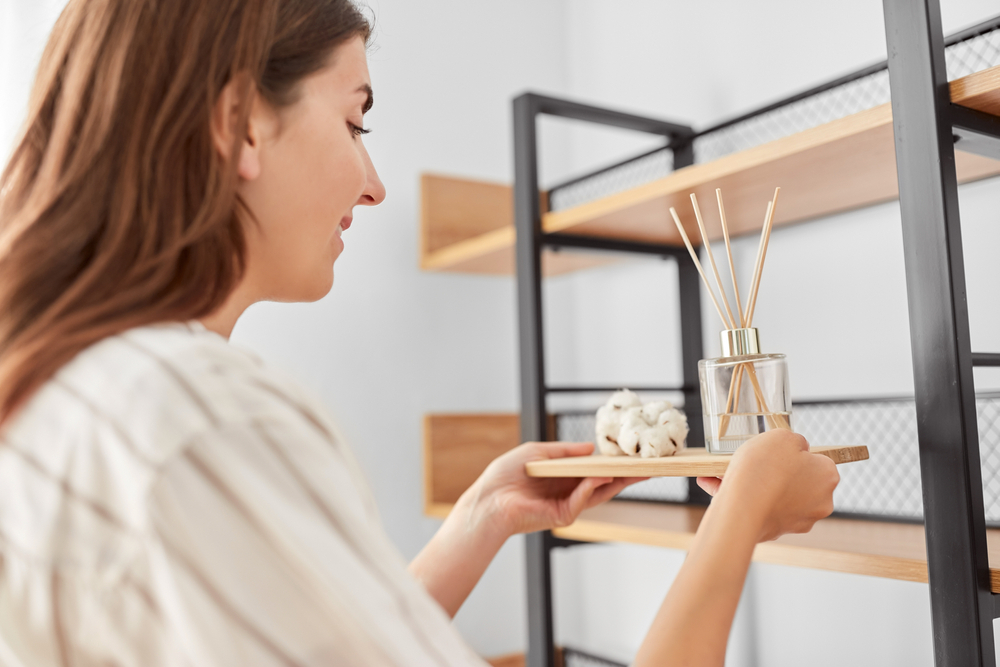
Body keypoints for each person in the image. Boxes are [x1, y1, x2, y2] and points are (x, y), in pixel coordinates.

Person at [0, 1, 840, 665]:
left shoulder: (71, 387)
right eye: (356, 122)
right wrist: (740, 513)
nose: (374, 187)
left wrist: (480, 518)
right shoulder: (194, 416)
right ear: (241, 122)